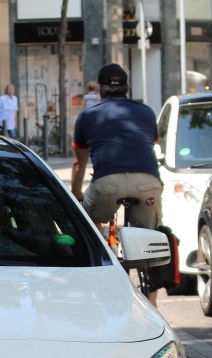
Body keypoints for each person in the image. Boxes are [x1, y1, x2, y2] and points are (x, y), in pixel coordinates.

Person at [71, 63, 166, 302]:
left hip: (107, 182)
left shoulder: (87, 116)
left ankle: (104, 255)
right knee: (150, 241)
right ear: (127, 87)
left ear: (100, 90)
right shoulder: (145, 112)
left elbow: (78, 164)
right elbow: (152, 144)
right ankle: (152, 303)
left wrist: (76, 196)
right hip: (147, 181)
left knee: (88, 220)